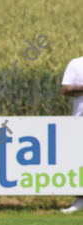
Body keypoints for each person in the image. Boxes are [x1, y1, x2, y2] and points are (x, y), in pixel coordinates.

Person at [60, 56, 83, 213]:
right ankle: (80, 201)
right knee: (79, 164)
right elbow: (65, 89)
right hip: (80, 121)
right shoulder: (76, 64)